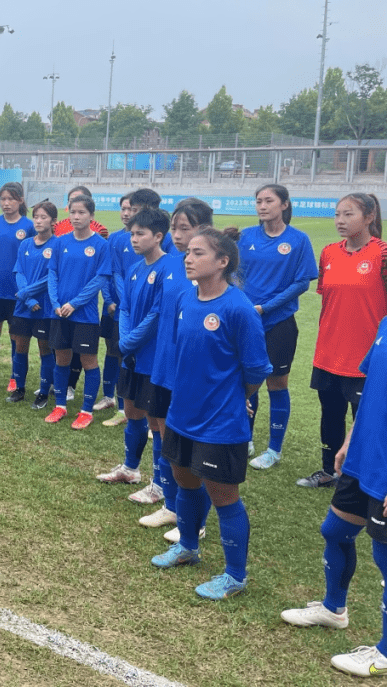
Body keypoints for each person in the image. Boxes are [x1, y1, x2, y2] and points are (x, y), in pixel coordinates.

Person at [150, 228, 272, 600]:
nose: (188, 257)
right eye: (187, 251)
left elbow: (255, 370)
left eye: (198, 252)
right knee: (183, 480)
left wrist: (238, 398)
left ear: (223, 262)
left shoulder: (238, 309)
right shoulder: (186, 298)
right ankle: (188, 546)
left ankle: (235, 575)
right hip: (182, 414)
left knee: (223, 496)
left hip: (220, 422)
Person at [280, 315, 387, 678]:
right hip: (363, 457)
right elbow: (372, 387)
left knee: (385, 558)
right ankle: (333, 609)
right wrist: (349, 440)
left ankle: (385, 652)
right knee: (335, 530)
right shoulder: (386, 322)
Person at [300, 193, 387, 489]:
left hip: (366, 357)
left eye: (349, 214)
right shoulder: (329, 253)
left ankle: (359, 475)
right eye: (338, 214)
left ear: (370, 216)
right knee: (331, 413)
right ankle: (329, 471)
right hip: (328, 352)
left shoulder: (383, 254)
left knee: (365, 420)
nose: (340, 221)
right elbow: (329, 300)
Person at [231, 184, 318, 471]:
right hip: (247, 321)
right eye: (258, 201)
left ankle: (274, 449)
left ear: (284, 204)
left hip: (278, 322)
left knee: (276, 383)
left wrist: (265, 307)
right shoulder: (246, 237)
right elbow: (232, 273)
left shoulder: (298, 240)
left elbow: (302, 282)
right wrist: (242, 305)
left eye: (269, 200)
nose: (262, 205)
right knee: (248, 378)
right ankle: (246, 439)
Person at [143, 198, 214, 539]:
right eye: (174, 228)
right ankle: (170, 504)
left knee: (188, 446)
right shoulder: (172, 263)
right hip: (163, 363)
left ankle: (195, 519)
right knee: (159, 430)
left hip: (189, 373)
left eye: (185, 228)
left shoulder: (210, 273)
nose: (178, 235)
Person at [96, 208, 173, 497]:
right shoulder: (135, 268)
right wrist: (127, 339)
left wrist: (130, 340)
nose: (134, 239)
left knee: (156, 421)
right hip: (132, 352)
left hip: (152, 356)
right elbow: (125, 306)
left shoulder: (168, 268)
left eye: (140, 234)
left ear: (158, 236)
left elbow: (157, 314)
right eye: (132, 233)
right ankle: (130, 469)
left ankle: (160, 484)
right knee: (131, 411)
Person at [44, 194, 112, 429]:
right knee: (61, 358)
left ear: (91, 216)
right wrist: (55, 302)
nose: (76, 216)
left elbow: (100, 280)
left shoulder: (101, 246)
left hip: (84, 316)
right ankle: (60, 406)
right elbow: (52, 274)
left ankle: (86, 411)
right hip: (59, 312)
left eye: (81, 212)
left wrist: (74, 303)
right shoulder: (61, 242)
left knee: (89, 361)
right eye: (73, 212)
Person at [0, 182, 33, 391]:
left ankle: (14, 377)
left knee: (16, 336)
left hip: (18, 292)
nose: (6, 203)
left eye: (11, 199)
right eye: (3, 199)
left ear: (20, 200)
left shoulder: (28, 226)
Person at [9, 200, 58, 406]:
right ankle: (19, 388)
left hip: (44, 307)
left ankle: (44, 392)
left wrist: (27, 293)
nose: (38, 221)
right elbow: (19, 271)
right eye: (36, 217)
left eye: (43, 217)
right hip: (24, 305)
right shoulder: (25, 244)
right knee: (20, 346)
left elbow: (52, 278)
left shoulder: (57, 245)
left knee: (44, 348)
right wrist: (27, 298)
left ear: (53, 221)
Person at [96, 193, 134, 421]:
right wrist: (109, 301)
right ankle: (108, 396)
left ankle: (124, 405)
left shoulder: (147, 241)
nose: (126, 213)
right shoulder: (114, 239)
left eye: (130, 209)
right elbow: (106, 273)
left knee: (124, 354)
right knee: (110, 351)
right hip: (112, 307)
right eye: (123, 208)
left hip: (132, 310)